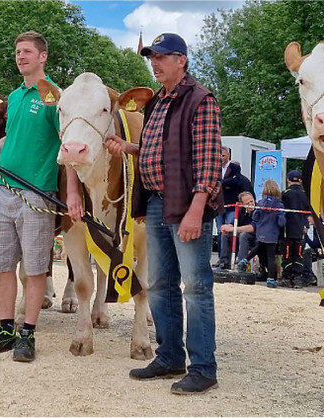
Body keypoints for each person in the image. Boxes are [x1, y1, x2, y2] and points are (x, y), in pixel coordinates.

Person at [105, 32, 223, 395]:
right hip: (156, 202)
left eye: (160, 57)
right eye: (151, 57)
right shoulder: (157, 102)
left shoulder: (200, 100)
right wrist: (129, 147)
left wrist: (196, 210)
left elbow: (208, 161)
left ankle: (203, 367)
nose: (153, 63)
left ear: (181, 60)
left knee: (197, 286)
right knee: (160, 283)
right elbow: (162, 152)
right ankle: (169, 355)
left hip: (187, 203)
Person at [0, 31, 82, 362]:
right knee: (2, 265)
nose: (21, 57)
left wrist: (71, 190)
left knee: (33, 269)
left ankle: (27, 334)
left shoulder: (55, 96)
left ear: (43, 56)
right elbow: (11, 139)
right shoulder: (14, 97)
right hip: (2, 189)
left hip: (36, 193)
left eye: (27, 51)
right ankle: (4, 331)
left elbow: (67, 144)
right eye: (17, 52)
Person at [214, 146, 252, 269]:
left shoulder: (235, 168)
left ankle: (232, 257)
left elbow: (236, 181)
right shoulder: (215, 167)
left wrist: (220, 183)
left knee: (230, 229)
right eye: (219, 155)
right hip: (219, 204)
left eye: (223, 156)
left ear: (228, 155)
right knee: (221, 232)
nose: (221, 158)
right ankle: (222, 257)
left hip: (231, 206)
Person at [281, 170, 317, 288]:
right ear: (301, 181)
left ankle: (287, 277)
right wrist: (306, 225)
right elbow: (310, 212)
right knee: (299, 253)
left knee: (287, 253)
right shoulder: (306, 194)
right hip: (301, 229)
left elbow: (282, 212)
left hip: (287, 229)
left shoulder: (285, 194)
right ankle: (297, 278)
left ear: (288, 181)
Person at [248, 179, 285, 288]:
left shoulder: (260, 202)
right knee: (271, 256)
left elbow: (255, 217)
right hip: (272, 233)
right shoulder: (279, 204)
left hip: (260, 231)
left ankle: (244, 261)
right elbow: (281, 222)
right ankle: (271, 279)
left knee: (257, 248)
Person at [222, 191, 257, 272]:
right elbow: (232, 223)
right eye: (247, 203)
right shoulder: (240, 210)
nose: (251, 204)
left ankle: (242, 264)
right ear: (242, 204)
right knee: (226, 234)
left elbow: (252, 228)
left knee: (243, 235)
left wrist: (233, 229)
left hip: (256, 237)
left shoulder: (258, 210)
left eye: (251, 201)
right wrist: (227, 227)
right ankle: (224, 261)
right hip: (243, 235)